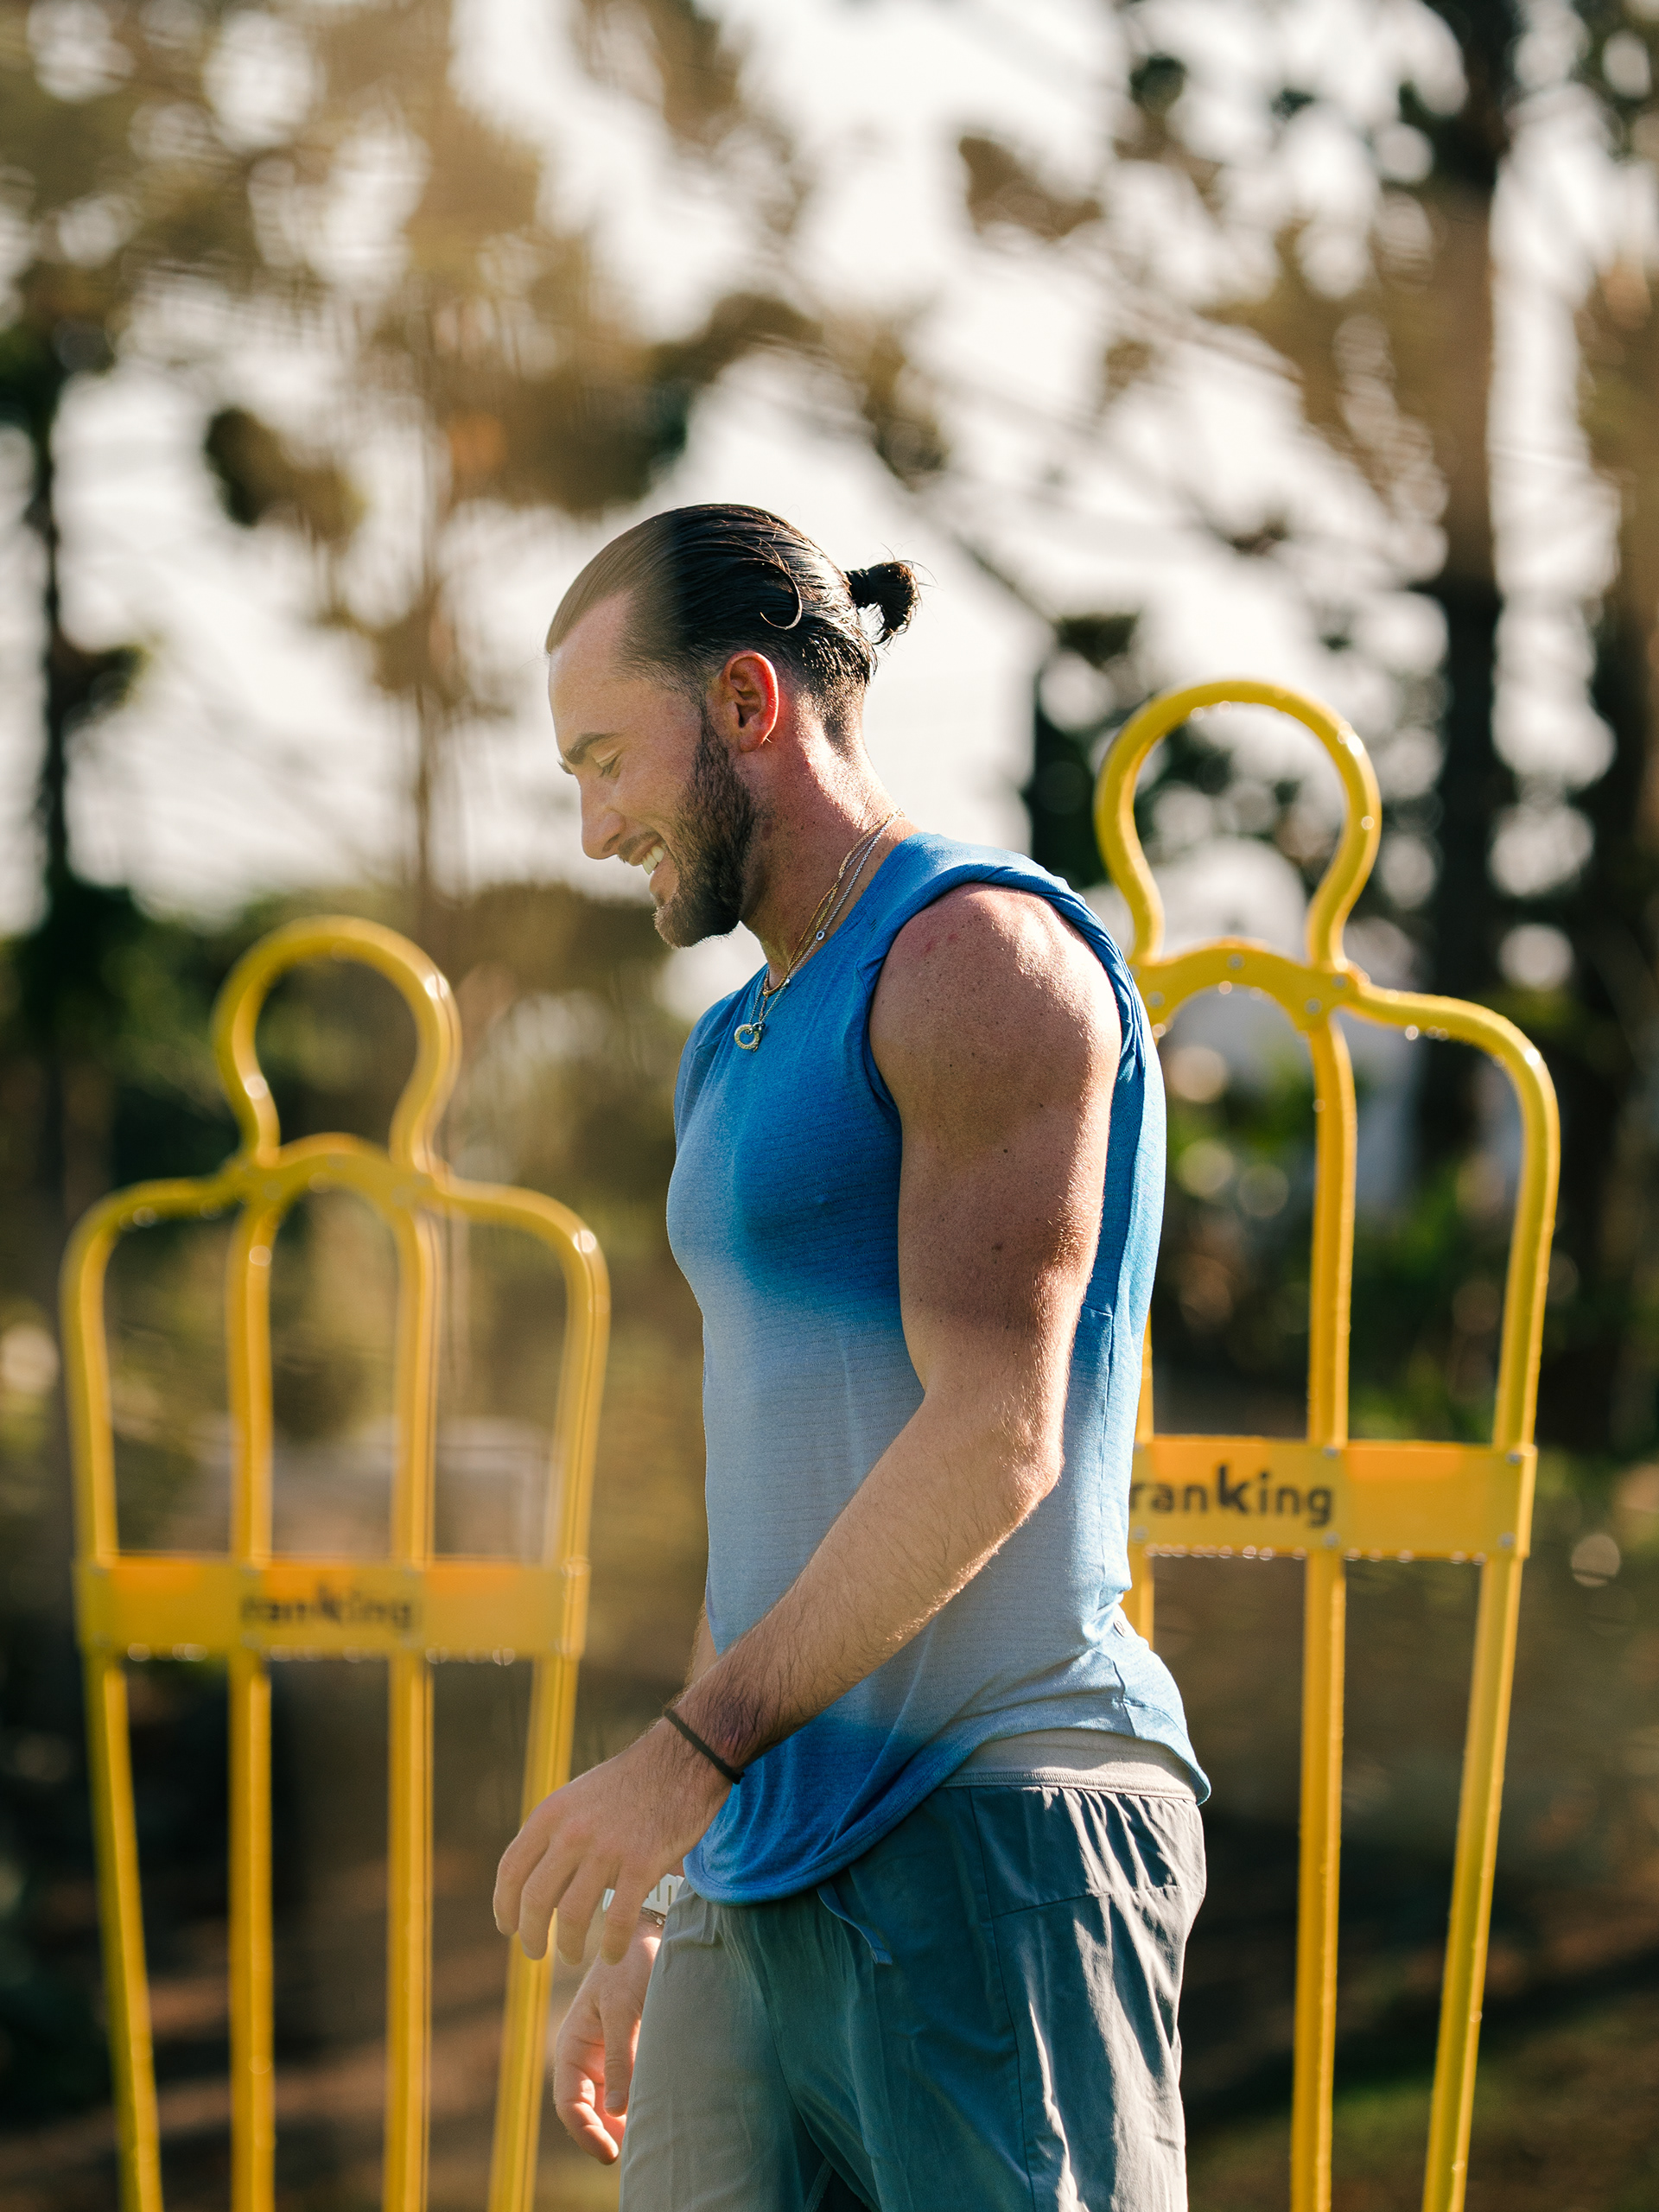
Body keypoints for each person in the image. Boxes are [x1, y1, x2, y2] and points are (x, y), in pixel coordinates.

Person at [493, 504, 1208, 2211]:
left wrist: (681, 1761)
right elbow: (775, 1486)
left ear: (746, 700)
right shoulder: (731, 1046)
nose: (595, 829)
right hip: (757, 1861)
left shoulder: (977, 957)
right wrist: (678, 1872)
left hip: (997, 1814)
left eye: (606, 761)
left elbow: (995, 1435)